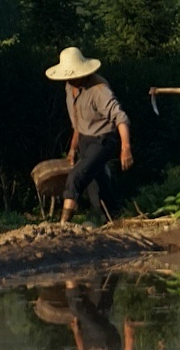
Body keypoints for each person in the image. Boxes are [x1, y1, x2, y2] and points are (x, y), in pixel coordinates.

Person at [44, 46, 133, 225]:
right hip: (85, 139)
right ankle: (114, 217)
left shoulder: (99, 89)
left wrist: (125, 147)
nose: (71, 79)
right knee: (98, 182)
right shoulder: (70, 88)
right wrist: (72, 149)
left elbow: (120, 117)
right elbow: (77, 123)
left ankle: (63, 224)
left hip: (103, 140)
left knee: (76, 176)